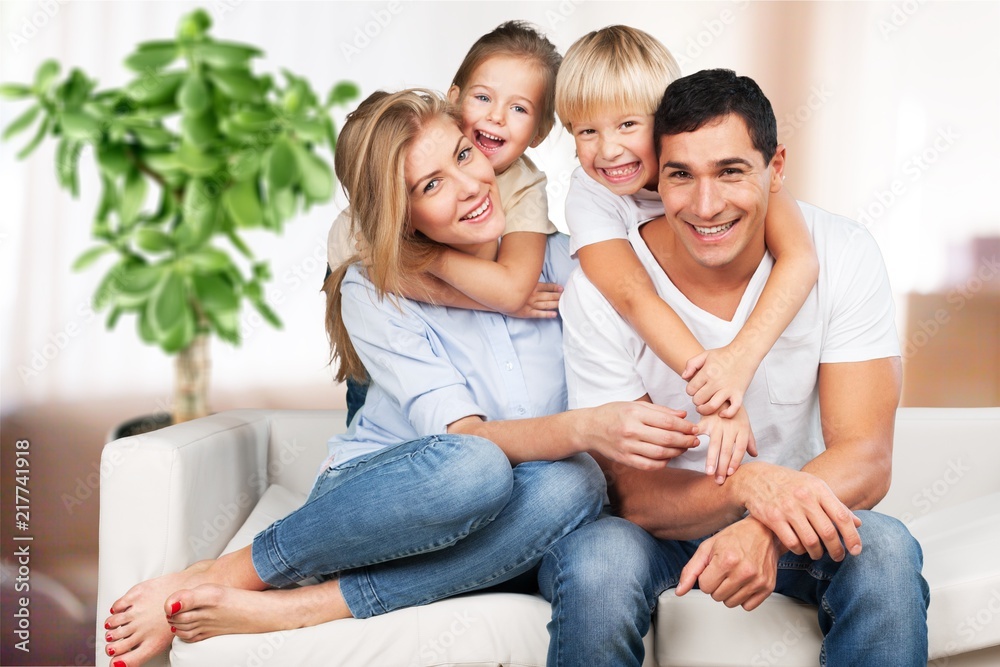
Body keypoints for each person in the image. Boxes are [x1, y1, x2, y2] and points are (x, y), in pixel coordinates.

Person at [100, 89, 702, 667]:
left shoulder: (570, 260)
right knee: (476, 465)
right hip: (391, 503)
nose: (470, 188)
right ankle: (220, 575)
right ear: (401, 212)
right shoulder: (377, 289)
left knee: (577, 485)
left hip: (526, 519)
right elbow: (469, 439)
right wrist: (585, 426)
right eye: (431, 186)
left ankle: (308, 608)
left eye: (464, 155)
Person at [539, 69, 930, 667]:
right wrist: (747, 485)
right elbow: (633, 493)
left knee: (884, 550)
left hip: (798, 514)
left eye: (730, 171)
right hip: (659, 529)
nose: (705, 205)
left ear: (775, 169)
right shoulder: (602, 290)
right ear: (654, 176)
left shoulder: (842, 252)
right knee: (599, 561)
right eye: (680, 176)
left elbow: (867, 457)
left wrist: (766, 525)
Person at [555, 26, 821, 481]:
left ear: (663, 121)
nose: (608, 149)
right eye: (586, 131)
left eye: (627, 124)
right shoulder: (590, 194)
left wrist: (737, 362)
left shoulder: (725, 161)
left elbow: (801, 259)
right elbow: (632, 294)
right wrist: (717, 394)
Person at [328, 21, 565, 425]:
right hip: (386, 349)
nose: (496, 117)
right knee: (375, 408)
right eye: (484, 97)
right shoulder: (385, 191)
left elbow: (511, 291)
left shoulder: (524, 186)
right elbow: (366, 272)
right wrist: (439, 263)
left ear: (540, 133)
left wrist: (428, 260)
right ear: (454, 101)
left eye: (519, 108)